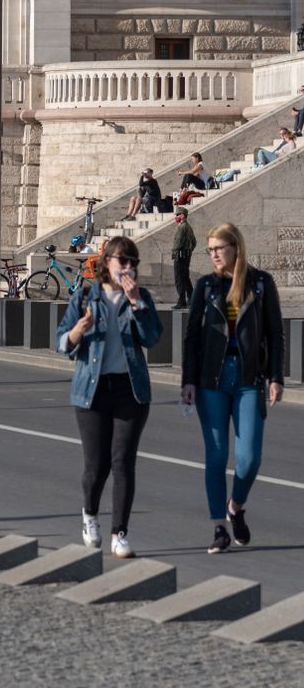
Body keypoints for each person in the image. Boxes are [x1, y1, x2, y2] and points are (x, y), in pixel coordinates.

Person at [56, 236, 161, 560]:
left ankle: (120, 533)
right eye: (122, 261)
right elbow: (61, 341)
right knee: (96, 465)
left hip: (130, 391)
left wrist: (136, 304)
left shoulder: (140, 297)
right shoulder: (87, 295)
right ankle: (90, 515)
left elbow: (152, 337)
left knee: (123, 463)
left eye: (133, 262)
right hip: (92, 390)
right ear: (107, 263)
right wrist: (79, 330)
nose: (128, 267)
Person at [180, 223, 283, 554]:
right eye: (209, 250)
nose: (213, 255)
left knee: (250, 458)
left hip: (248, 379)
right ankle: (219, 528)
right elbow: (192, 337)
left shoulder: (262, 284)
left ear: (235, 248)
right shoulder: (206, 286)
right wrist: (188, 381)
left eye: (218, 249)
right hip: (212, 379)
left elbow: (275, 335)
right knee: (217, 455)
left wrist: (276, 377)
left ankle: (235, 507)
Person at [171, 207, 195, 310]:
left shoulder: (182, 227)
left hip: (180, 256)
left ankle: (181, 301)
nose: (176, 217)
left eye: (177, 215)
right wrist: (189, 251)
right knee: (185, 278)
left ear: (182, 215)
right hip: (186, 256)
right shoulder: (188, 227)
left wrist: (174, 252)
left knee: (179, 279)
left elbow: (178, 242)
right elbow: (194, 242)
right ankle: (192, 299)